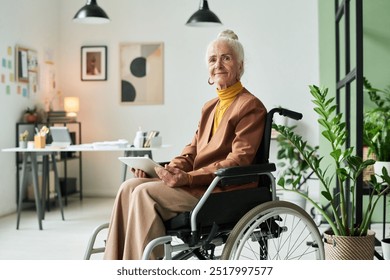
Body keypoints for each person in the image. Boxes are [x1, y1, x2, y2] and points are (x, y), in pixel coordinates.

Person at [103, 29, 267, 260]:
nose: (218, 64)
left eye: (226, 58)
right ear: (208, 69)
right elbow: (192, 151)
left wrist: (188, 178)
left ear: (240, 66)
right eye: (212, 59)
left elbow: (238, 161)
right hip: (198, 184)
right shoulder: (209, 107)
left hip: (220, 189)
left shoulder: (250, 106)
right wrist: (165, 169)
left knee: (143, 193)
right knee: (128, 187)